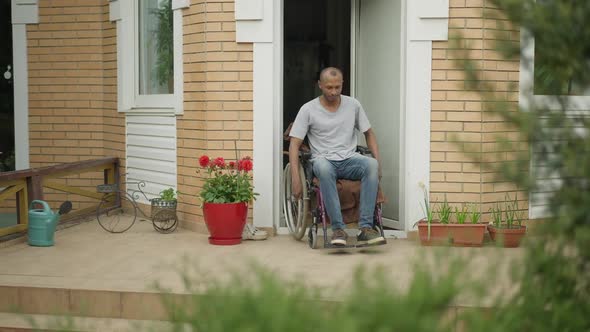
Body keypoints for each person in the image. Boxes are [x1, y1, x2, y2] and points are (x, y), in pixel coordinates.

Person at [288, 67, 385, 246]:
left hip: (349, 158)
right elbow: (294, 144)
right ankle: (338, 229)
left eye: (337, 88)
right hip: (323, 160)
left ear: (342, 85)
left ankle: (365, 229)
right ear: (320, 85)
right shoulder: (308, 109)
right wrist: (295, 178)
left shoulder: (353, 105)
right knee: (324, 168)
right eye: (329, 88)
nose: (333, 92)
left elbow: (369, 133)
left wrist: (378, 163)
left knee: (370, 165)